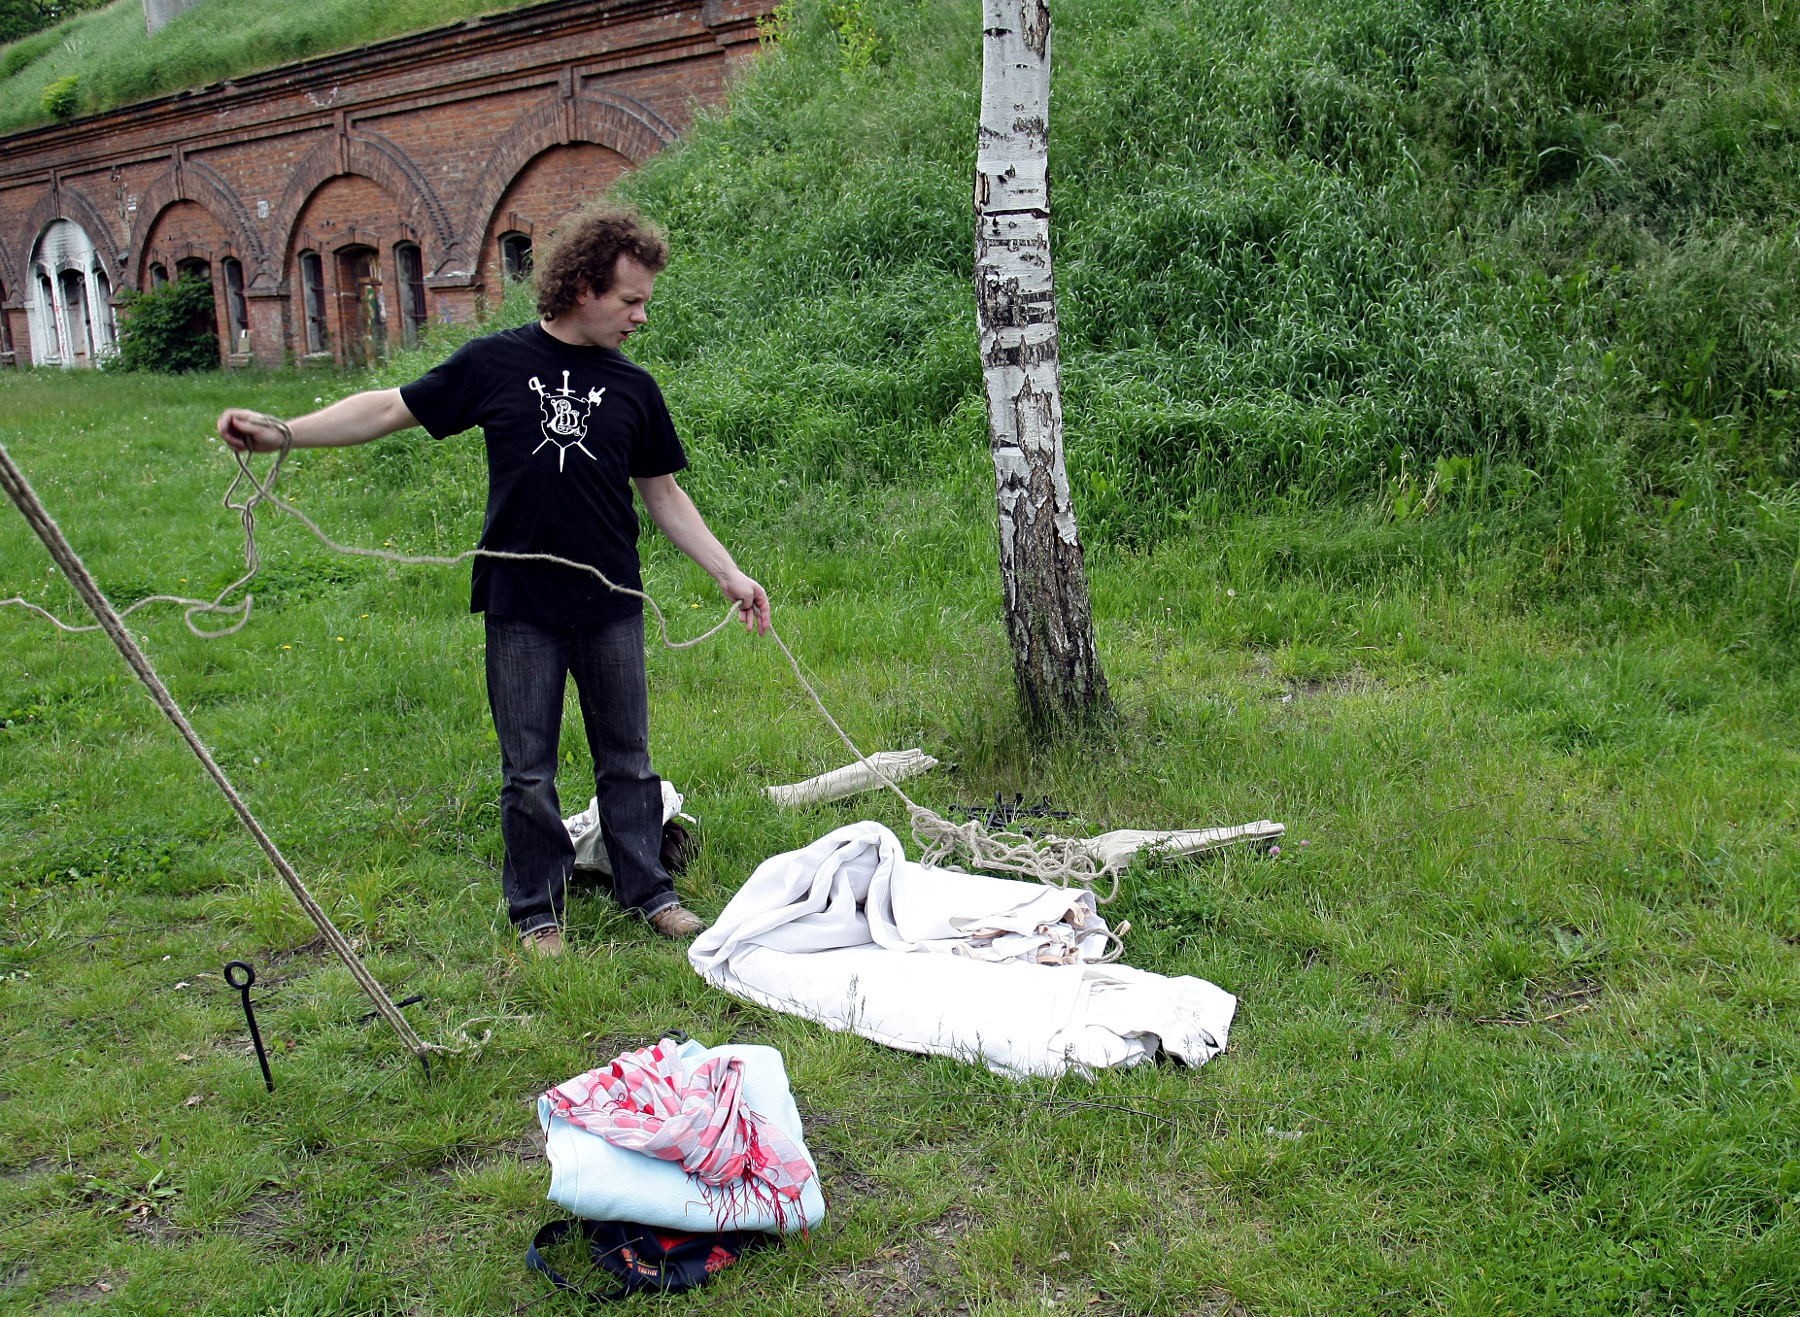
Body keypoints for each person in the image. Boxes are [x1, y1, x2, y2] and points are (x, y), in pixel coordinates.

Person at [216, 202, 769, 957]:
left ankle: (650, 890)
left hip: (612, 601)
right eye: (630, 300)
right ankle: (538, 910)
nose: (642, 316)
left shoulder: (634, 388)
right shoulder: (494, 363)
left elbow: (665, 495)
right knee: (528, 770)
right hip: (520, 604)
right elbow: (386, 409)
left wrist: (729, 573)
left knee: (629, 759)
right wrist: (285, 433)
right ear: (582, 288)